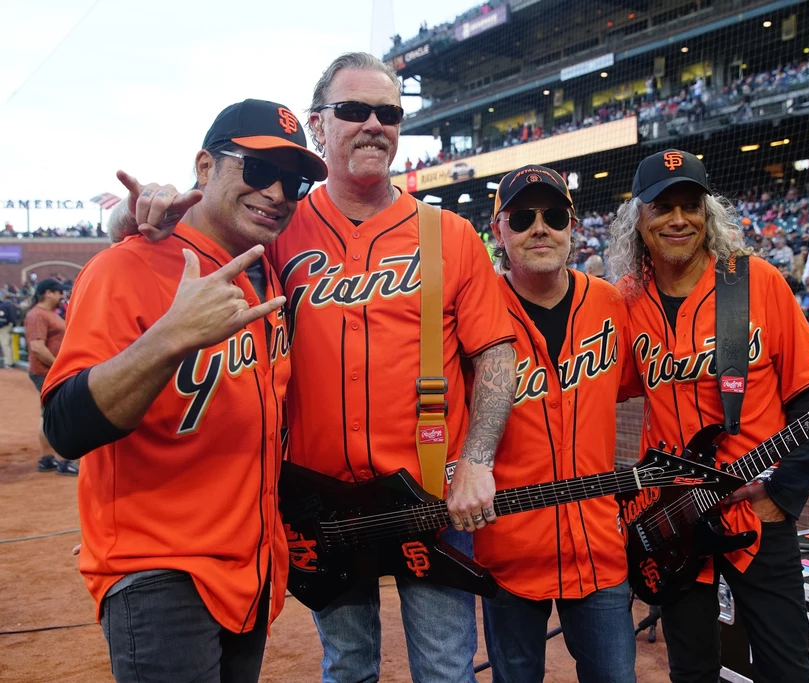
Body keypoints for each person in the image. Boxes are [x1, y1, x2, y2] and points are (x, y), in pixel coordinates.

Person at [105, 52, 516, 683]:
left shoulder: (449, 233)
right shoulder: (275, 225)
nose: (373, 123)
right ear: (318, 127)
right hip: (322, 502)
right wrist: (126, 217)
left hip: (430, 492)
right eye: (354, 110)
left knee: (445, 669)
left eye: (388, 112)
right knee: (348, 667)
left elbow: (495, 350)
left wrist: (480, 459)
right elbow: (178, 224)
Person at [40, 99, 326, 682]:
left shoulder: (267, 270)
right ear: (205, 166)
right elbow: (64, 427)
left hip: (251, 569)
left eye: (292, 181)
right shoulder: (128, 266)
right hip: (161, 574)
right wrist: (169, 338)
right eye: (258, 169)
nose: (277, 192)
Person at [607, 149, 809, 683]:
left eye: (691, 204)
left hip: (755, 513)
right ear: (638, 219)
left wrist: (783, 496)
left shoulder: (757, 282)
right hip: (671, 517)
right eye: (662, 207)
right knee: (691, 670)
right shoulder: (624, 302)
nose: (678, 219)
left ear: (708, 213)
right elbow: (591, 392)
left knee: (786, 669)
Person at [475, 166, 636, 683]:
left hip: (599, 548)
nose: (539, 228)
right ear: (499, 230)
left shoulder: (612, 303)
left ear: (572, 224)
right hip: (509, 554)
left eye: (553, 215)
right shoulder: (475, 314)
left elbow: (644, 383)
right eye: (522, 218)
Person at [23, 278, 77, 475]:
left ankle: (47, 459)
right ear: (48, 293)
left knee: (48, 414)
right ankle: (64, 461)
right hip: (47, 372)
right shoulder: (37, 315)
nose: (62, 296)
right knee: (61, 415)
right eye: (58, 292)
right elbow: (37, 347)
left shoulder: (45, 314)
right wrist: (59, 366)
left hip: (49, 371)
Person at [0, 291, 18, 368]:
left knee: (5, 344)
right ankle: (11, 361)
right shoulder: (13, 305)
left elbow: (2, 318)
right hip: (11, 326)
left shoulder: (4, 306)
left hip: (4, 327)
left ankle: (8, 363)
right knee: (9, 344)